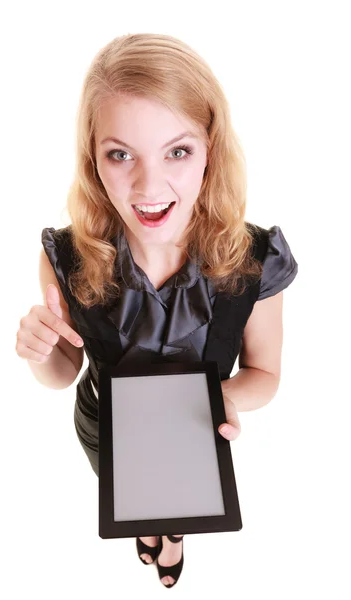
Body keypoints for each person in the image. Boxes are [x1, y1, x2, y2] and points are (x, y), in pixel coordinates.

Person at [16, 33, 298, 589]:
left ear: (210, 149)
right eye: (120, 154)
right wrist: (40, 351)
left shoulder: (254, 259)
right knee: (130, 499)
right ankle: (149, 533)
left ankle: (170, 537)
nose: (149, 185)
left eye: (178, 150)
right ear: (93, 160)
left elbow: (264, 376)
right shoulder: (67, 256)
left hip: (198, 429)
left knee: (182, 503)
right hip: (107, 425)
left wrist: (216, 401)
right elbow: (62, 374)